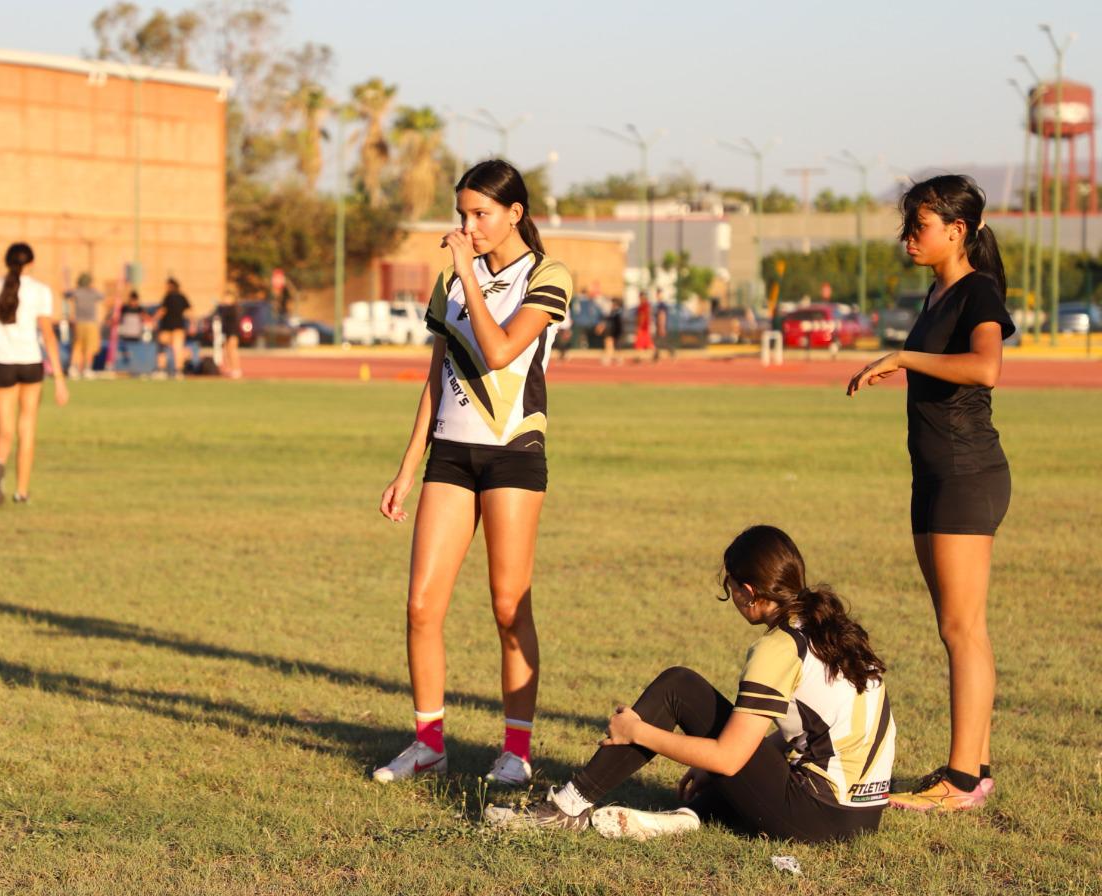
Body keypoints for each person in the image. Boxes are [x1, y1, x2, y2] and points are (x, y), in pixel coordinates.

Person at [485, 525, 895, 843]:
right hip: (861, 818)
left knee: (679, 686)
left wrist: (640, 731)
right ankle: (683, 820)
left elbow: (730, 758)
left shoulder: (779, 648)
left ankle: (567, 808)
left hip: (819, 817)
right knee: (726, 756)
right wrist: (710, 768)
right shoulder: (831, 628)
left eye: (729, 587)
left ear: (748, 592)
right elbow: (818, 736)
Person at [375, 159, 571, 787]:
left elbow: (501, 349)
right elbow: (439, 375)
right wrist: (408, 467)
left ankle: (516, 752)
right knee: (421, 604)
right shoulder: (451, 282)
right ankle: (428, 743)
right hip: (450, 457)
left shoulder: (549, 274)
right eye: (462, 214)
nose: (469, 226)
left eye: (481, 214)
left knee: (509, 607)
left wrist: (469, 274)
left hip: (513, 454)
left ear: (516, 213)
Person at [846, 175, 1014, 812]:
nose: (908, 236)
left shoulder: (977, 291)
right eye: (908, 225)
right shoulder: (938, 292)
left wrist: (906, 360)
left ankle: (961, 782)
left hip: (968, 475)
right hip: (934, 475)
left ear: (957, 230)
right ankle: (978, 766)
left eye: (919, 225)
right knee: (959, 627)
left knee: (961, 628)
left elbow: (986, 368)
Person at [0, 242, 69, 506]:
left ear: (6, 262)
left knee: (4, 429)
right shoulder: (40, 291)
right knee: (26, 428)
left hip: (3, 363)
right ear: (31, 263)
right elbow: (48, 335)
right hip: (30, 363)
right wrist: (59, 379)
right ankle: (22, 492)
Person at [64, 273, 107, 379]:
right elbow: (103, 296)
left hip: (79, 323)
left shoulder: (76, 292)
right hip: (90, 323)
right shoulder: (93, 292)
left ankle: (73, 368)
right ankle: (87, 369)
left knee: (77, 346)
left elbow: (66, 294)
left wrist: (68, 289)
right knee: (90, 347)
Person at [152, 278, 191, 378]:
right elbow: (189, 311)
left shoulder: (168, 297)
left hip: (167, 327)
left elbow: (162, 310)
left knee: (162, 347)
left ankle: (161, 370)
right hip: (179, 326)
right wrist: (192, 324)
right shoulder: (182, 297)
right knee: (178, 349)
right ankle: (179, 371)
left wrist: (154, 320)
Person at [212, 284, 243, 379]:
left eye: (227, 298)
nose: (225, 300)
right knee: (227, 350)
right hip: (226, 331)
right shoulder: (224, 308)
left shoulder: (234, 308)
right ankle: (230, 368)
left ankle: (236, 369)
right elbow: (217, 314)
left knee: (232, 350)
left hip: (233, 331)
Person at [598, 297, 624, 366]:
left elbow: (619, 323)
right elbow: (607, 320)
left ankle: (618, 358)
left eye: (613, 304)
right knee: (609, 344)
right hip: (611, 331)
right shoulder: (612, 312)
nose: (612, 305)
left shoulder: (619, 312)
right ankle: (609, 358)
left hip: (617, 331)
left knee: (617, 346)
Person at [633, 291, 653, 355]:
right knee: (647, 344)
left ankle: (640, 357)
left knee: (640, 345)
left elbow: (642, 317)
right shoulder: (647, 305)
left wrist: (639, 327)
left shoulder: (643, 306)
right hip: (646, 328)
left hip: (643, 328)